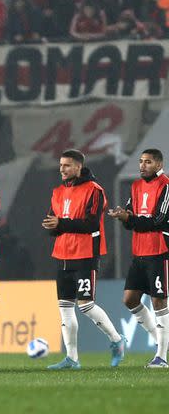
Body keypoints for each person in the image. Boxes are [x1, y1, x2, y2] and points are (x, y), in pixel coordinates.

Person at [43, 149, 126, 370]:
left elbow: (91, 224)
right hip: (62, 253)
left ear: (79, 167)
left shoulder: (94, 190)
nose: (62, 169)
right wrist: (52, 227)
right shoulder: (57, 192)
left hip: (86, 254)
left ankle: (117, 340)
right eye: (60, 165)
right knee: (65, 307)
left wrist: (60, 224)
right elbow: (55, 222)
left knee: (86, 305)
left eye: (67, 165)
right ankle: (72, 359)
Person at [108, 148, 169, 368]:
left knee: (158, 301)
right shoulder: (135, 187)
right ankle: (160, 342)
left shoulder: (166, 186)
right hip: (139, 252)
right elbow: (129, 216)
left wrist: (129, 218)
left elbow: (159, 220)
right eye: (141, 162)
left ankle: (161, 357)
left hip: (159, 251)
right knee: (130, 300)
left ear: (159, 165)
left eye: (148, 162)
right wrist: (122, 217)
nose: (143, 165)